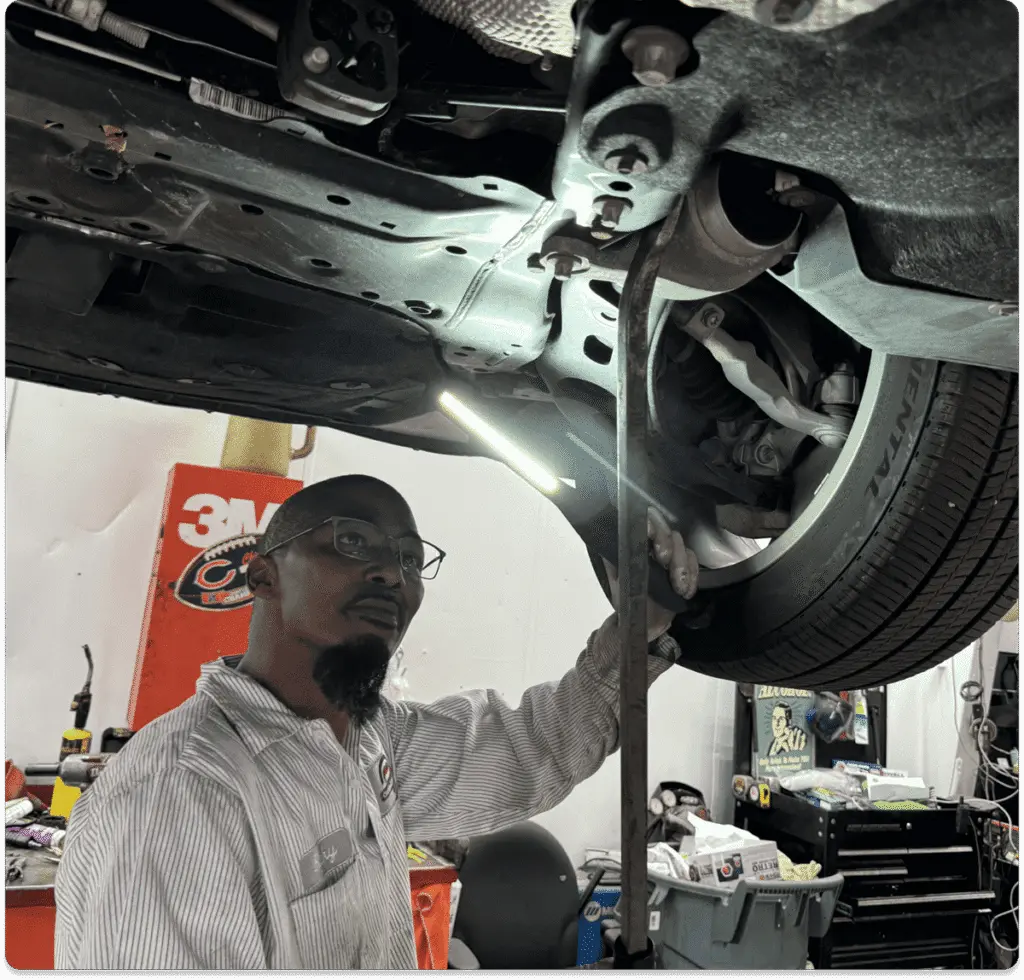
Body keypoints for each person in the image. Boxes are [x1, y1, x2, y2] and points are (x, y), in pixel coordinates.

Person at [54, 474, 700, 969]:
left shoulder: (366, 744)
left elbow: (535, 745)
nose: (393, 574)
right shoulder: (179, 796)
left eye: (412, 560)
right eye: (352, 541)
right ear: (261, 574)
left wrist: (637, 625)